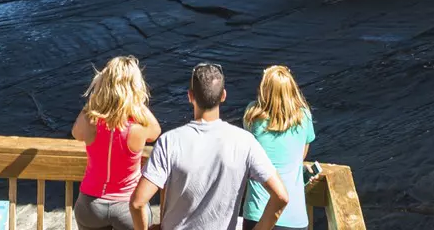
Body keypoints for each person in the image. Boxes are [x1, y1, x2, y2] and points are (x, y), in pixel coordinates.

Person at [131, 64, 286, 230]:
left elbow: (137, 203)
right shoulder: (245, 141)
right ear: (223, 96)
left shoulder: (170, 142)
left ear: (190, 96)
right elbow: (281, 197)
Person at [71, 57, 161, 230]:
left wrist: (97, 97)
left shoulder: (92, 121)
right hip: (128, 206)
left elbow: (76, 133)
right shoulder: (138, 127)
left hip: (91, 204)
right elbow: (155, 132)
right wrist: (136, 102)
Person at [241, 68, 313, 230]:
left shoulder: (252, 115)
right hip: (295, 216)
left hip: (258, 213)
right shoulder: (304, 116)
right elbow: (301, 154)